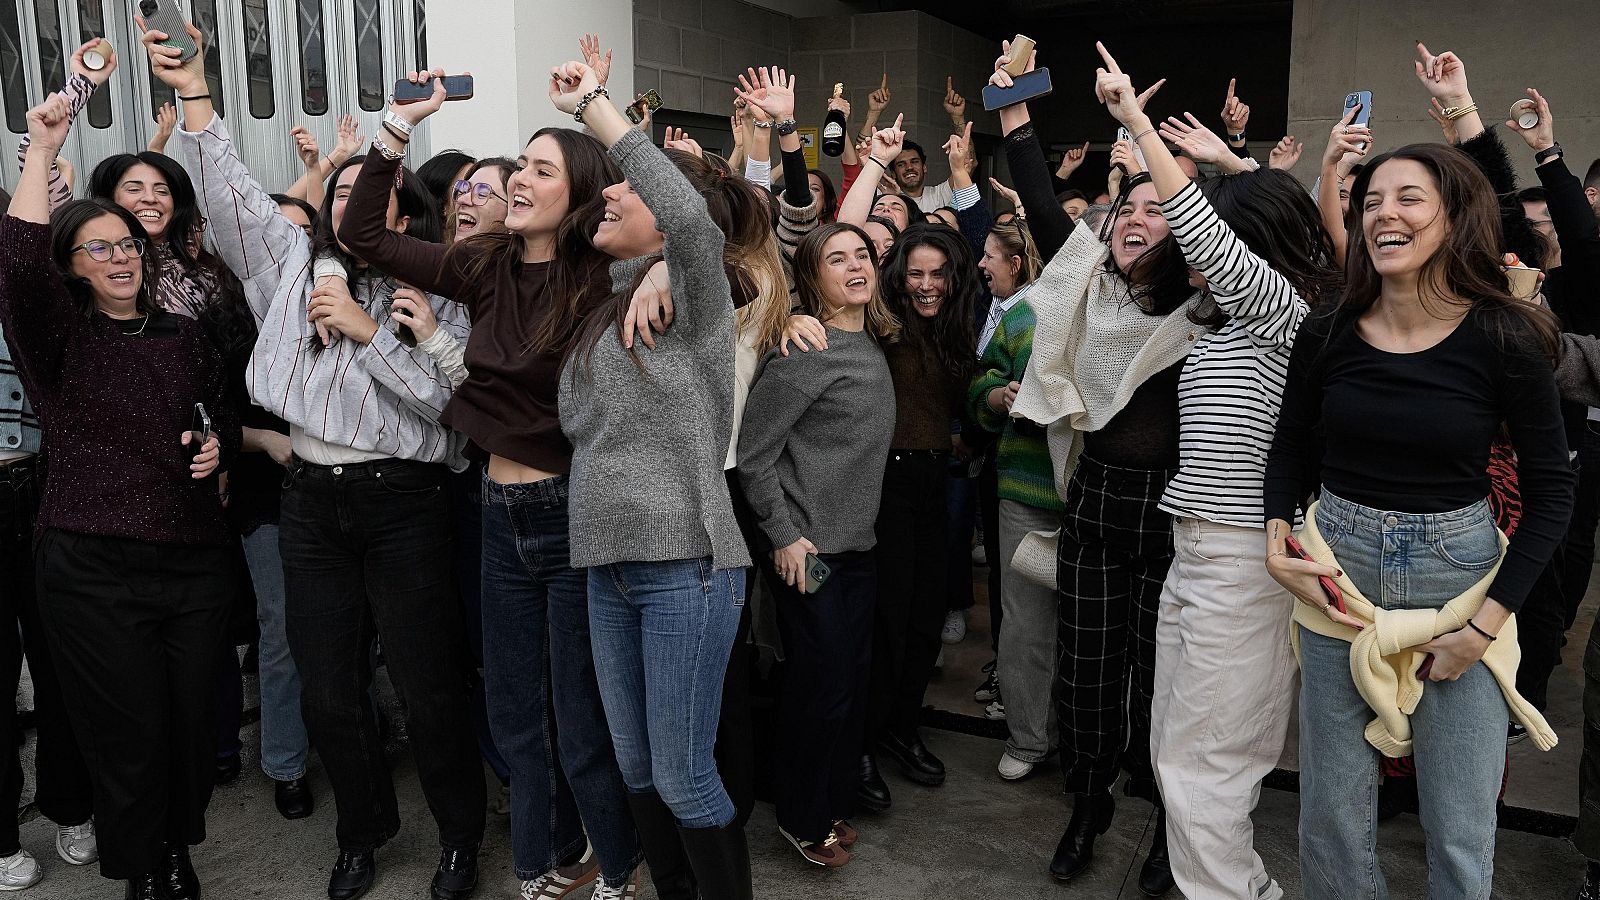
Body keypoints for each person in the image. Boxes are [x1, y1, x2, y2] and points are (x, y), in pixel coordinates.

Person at [147, 23, 487, 900]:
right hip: (310, 500)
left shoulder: (445, 294)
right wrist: (195, 91)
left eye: (364, 201)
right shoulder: (290, 267)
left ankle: (458, 839)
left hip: (405, 501)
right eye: (336, 198)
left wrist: (375, 335)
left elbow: (453, 420)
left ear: (400, 216)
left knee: (427, 683)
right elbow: (228, 201)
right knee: (329, 688)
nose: (344, 212)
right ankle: (362, 834)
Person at [338, 67, 645, 900]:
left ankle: (617, 866)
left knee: (580, 724)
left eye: (542, 171)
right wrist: (398, 127)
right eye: (518, 170)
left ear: (579, 193)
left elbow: (699, 245)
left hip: (576, 514)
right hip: (498, 511)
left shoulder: (603, 280)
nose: (518, 183)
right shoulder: (484, 266)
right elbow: (366, 232)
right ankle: (535, 866)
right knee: (514, 717)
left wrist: (600, 118)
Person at [1263, 137, 1574, 898]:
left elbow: (1552, 494)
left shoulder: (1505, 336)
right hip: (1337, 579)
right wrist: (1276, 538)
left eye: (1407, 199)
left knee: (1461, 825)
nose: (1383, 215)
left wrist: (1482, 630)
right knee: (1331, 819)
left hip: (1461, 585)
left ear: (1453, 218)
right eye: (1370, 202)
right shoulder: (1329, 326)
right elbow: (1291, 447)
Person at [3, 93, 238, 900]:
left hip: (192, 561)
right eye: (97, 247)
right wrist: (40, 150)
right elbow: (20, 259)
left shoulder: (186, 334)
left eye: (128, 243)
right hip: (92, 564)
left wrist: (216, 446)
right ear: (71, 267)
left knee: (187, 724)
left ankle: (178, 848)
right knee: (130, 731)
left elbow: (214, 416)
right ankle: (146, 870)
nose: (119, 256)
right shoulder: (60, 337)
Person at [551, 55, 769, 900]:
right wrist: (648, 267)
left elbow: (697, 224)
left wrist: (595, 108)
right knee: (637, 768)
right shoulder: (606, 300)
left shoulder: (696, 296)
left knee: (682, 776)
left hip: (688, 566)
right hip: (606, 569)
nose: (608, 192)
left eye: (624, 188)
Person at [1136, 74, 1342, 900]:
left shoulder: (1283, 310)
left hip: (1246, 561)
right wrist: (1233, 165)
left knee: (1207, 766)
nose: (1190, 251)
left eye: (1210, 236)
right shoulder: (1220, 317)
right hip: (1193, 551)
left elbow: (1215, 238)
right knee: (1176, 756)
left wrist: (1136, 126)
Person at [996, 40, 1194, 891]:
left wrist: (1142, 131)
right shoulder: (1087, 280)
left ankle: (1164, 831)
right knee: (1087, 674)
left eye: (1158, 206)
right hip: (1095, 506)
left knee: (1161, 685)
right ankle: (1088, 806)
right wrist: (1013, 105)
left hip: (1177, 514)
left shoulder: (1205, 301)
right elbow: (1042, 201)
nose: (1136, 217)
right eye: (1126, 208)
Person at [736, 223, 899, 867]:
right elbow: (754, 453)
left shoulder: (869, 343)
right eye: (836, 259)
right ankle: (802, 819)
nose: (855, 264)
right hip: (812, 553)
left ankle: (827, 804)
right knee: (821, 685)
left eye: (862, 254)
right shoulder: (807, 349)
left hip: (857, 546)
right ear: (812, 279)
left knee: (846, 682)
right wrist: (784, 536)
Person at [0, 188, 97, 894]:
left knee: (63, 658)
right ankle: (1, 834)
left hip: (45, 490)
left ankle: (71, 805)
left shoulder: (30, 296)